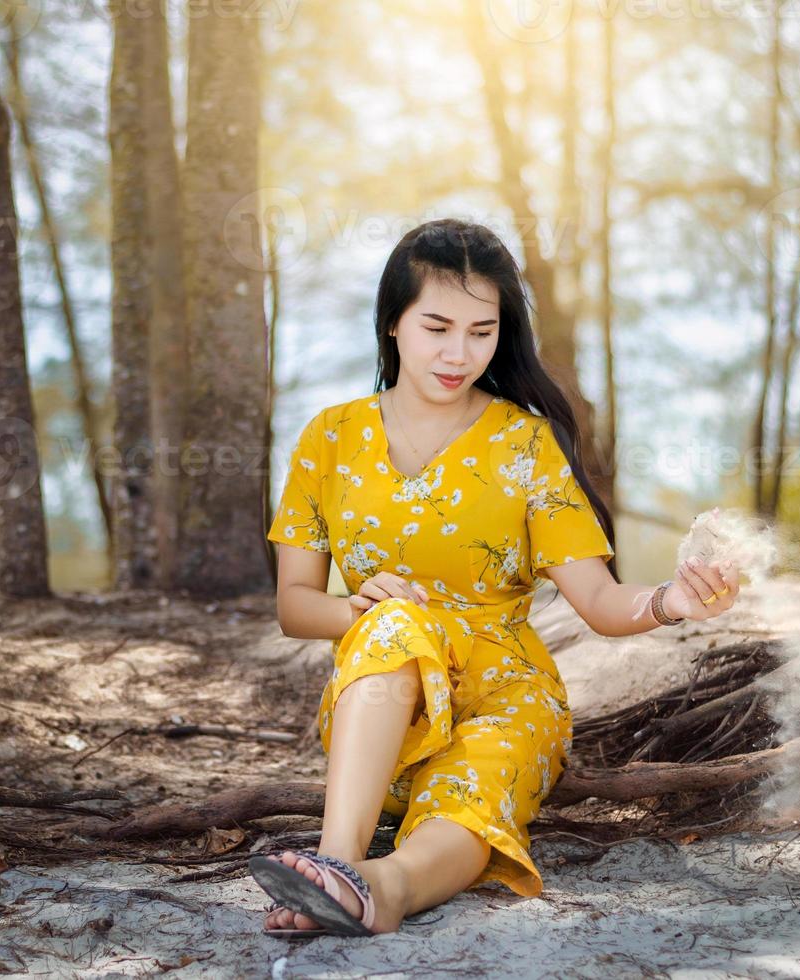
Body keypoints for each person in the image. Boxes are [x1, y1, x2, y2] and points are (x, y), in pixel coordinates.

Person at [249, 218, 741, 938]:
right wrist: (358, 611)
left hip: (507, 699)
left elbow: (600, 601)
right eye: (438, 327)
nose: (459, 353)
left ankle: (381, 890)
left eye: (481, 332)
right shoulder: (331, 438)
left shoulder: (526, 443)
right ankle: (336, 861)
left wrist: (672, 600)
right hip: (383, 719)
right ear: (393, 323)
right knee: (393, 623)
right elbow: (294, 606)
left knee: (473, 797)